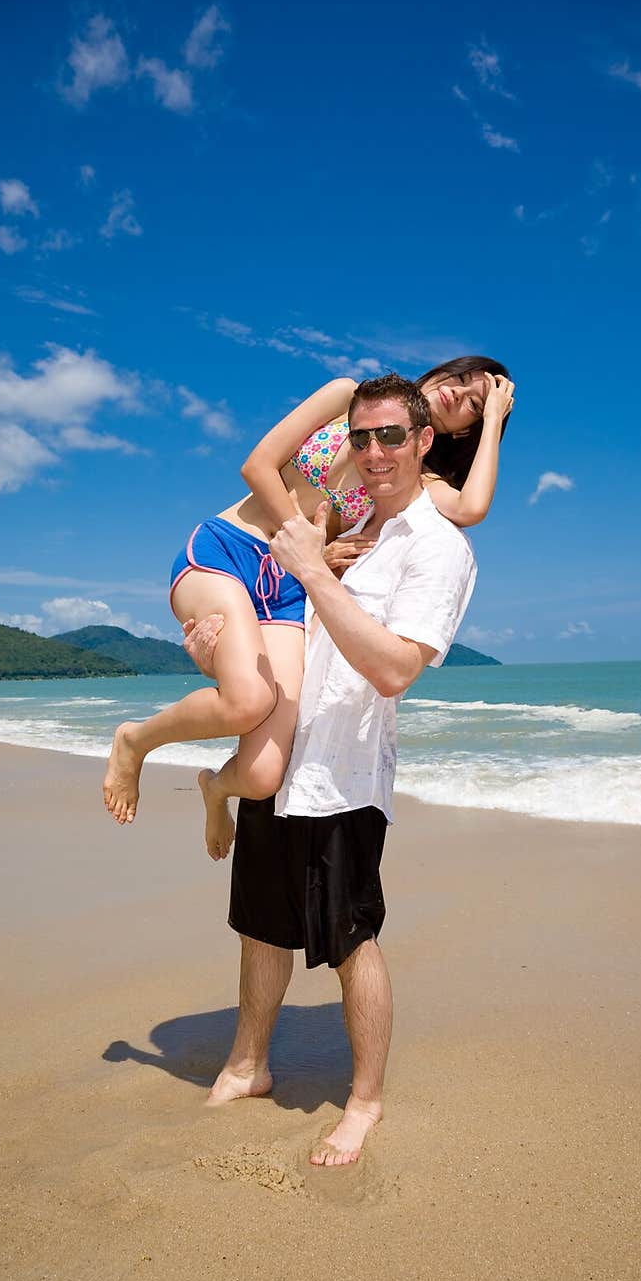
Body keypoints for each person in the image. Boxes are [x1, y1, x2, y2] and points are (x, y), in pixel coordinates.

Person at [190, 372, 484, 1167]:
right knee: (260, 925)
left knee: (352, 939)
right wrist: (219, 647)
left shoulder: (438, 547)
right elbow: (277, 625)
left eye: (393, 435)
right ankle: (249, 1064)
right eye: (362, 437)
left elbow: (394, 669)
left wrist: (316, 570)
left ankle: (363, 1102)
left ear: (425, 444)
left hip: (345, 778)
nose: (376, 450)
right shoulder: (348, 530)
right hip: (284, 749)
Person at [102, 358, 514, 852]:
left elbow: (470, 509)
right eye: (462, 379)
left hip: (292, 589)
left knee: (261, 776)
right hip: (231, 549)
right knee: (247, 700)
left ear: (459, 432)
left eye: (474, 404)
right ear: (441, 371)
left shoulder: (416, 480)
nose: (460, 394)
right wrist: (304, 544)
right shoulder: (347, 397)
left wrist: (494, 420)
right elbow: (257, 464)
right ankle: (135, 740)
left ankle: (215, 788)